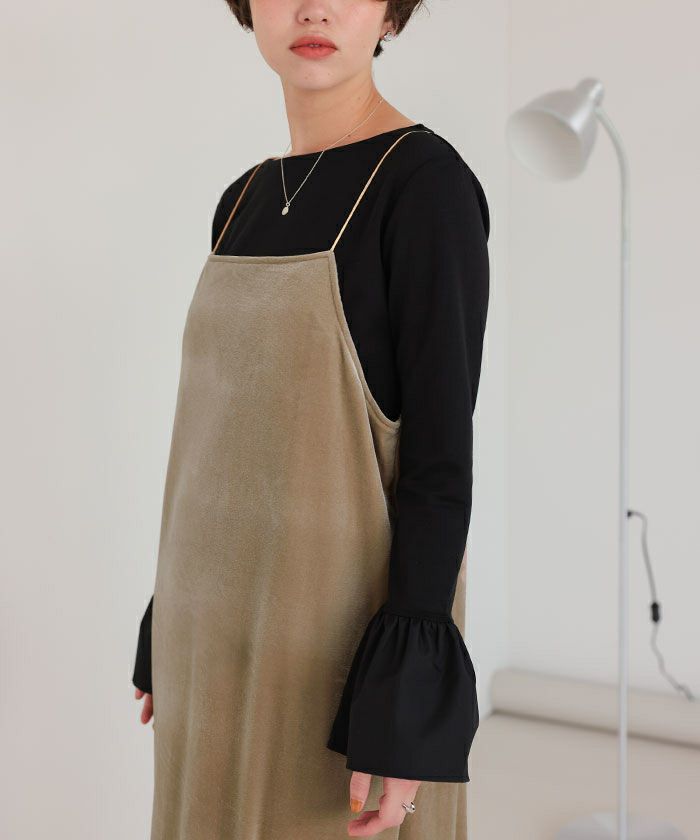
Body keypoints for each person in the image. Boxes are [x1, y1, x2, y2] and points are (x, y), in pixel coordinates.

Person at [131, 1, 490, 837]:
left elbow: (440, 464)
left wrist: (405, 706)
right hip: (206, 635)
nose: (314, 7)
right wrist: (165, 616)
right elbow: (218, 436)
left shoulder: (426, 186)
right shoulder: (241, 200)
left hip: (329, 654)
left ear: (391, 14)